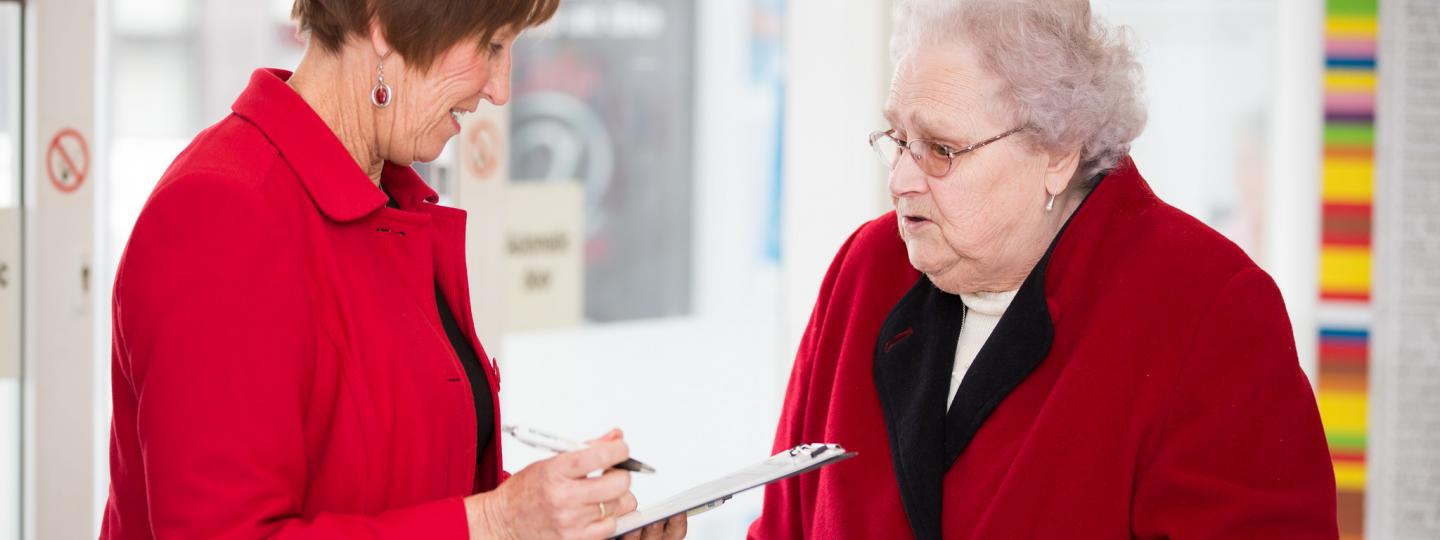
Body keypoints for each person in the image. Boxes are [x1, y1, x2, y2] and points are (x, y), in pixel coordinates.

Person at [749, 0, 1337, 538]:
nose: (900, 178)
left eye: (941, 148)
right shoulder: (866, 270)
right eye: (899, 138)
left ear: (1059, 150)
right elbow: (782, 527)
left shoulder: (1205, 305)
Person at [101, 1, 684, 538]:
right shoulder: (223, 212)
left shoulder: (385, 202)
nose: (501, 90)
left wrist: (560, 518)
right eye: (490, 45)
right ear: (385, 23)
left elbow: (403, 490)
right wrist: (497, 522)